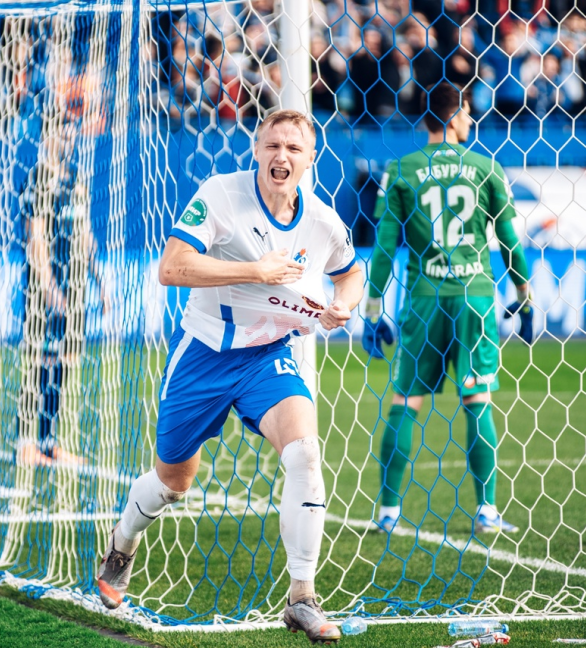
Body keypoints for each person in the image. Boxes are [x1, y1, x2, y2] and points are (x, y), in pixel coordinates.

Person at [96, 110, 363, 643]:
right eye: (271, 146)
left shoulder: (323, 221)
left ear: (311, 159)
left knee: (305, 455)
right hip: (203, 354)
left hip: (268, 356)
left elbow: (351, 271)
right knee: (174, 483)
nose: (280, 156)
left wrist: (343, 305)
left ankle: (302, 598)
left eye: (293, 148)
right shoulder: (220, 194)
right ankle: (121, 544)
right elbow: (171, 268)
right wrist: (255, 270)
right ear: (256, 151)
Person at [362, 82, 533, 535]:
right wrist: (523, 295)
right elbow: (510, 241)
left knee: (404, 402)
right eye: (468, 113)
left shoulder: (400, 168)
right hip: (474, 299)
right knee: (477, 401)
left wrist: (373, 308)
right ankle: (487, 512)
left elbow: (384, 247)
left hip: (422, 299)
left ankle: (388, 512)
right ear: (454, 115)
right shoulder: (486, 167)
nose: (471, 120)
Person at [18, 154, 106, 466]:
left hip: (75, 285)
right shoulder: (38, 177)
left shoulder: (76, 178)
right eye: (62, 129)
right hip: (45, 289)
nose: (69, 138)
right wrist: (49, 287)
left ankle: (50, 443)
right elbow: (36, 237)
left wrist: (100, 281)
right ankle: (27, 443)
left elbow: (85, 235)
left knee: (65, 362)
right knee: (41, 359)